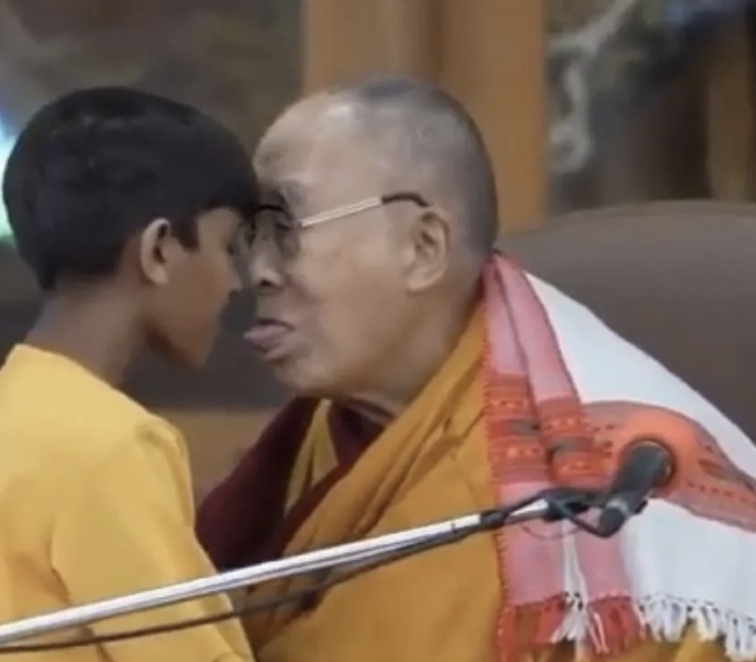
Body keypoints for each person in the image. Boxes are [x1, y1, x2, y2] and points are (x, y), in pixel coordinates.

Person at [197, 76, 756, 662]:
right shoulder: (330, 431)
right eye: (251, 235)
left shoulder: (603, 491)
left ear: (423, 247)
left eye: (285, 229)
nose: (258, 271)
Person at [0, 87, 259, 662]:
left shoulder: (15, 406)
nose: (235, 283)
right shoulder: (109, 445)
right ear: (159, 250)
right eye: (227, 247)